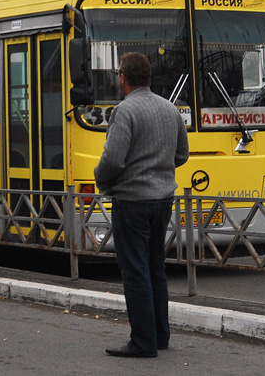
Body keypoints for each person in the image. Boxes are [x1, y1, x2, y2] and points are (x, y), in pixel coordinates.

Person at [94, 51, 190, 358]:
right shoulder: (169, 109)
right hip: (163, 200)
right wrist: (160, 169)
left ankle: (143, 343)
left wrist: (101, 179)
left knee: (135, 272)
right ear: (148, 77)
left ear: (123, 78)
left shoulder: (125, 111)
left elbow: (112, 159)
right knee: (155, 268)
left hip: (132, 201)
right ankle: (160, 336)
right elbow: (182, 155)